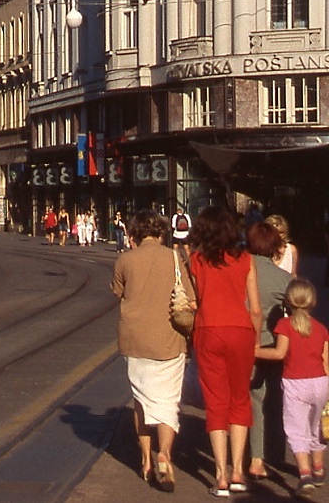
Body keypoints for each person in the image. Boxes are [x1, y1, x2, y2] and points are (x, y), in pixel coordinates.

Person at [111, 210, 196, 492]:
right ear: (161, 232)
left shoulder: (125, 259)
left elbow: (117, 291)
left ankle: (146, 460)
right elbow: (190, 299)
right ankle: (165, 455)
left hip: (135, 340)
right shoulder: (174, 258)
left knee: (142, 401)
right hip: (169, 339)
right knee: (168, 401)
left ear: (134, 234)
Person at [189, 206, 263, 497]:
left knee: (215, 401)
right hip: (241, 332)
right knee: (240, 399)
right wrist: (254, 343)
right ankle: (238, 471)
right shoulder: (245, 259)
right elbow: (255, 309)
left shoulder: (196, 260)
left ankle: (219, 475)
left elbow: (195, 300)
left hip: (208, 331)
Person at [254, 278, 329, 497]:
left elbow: (279, 353)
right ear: (312, 301)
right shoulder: (321, 329)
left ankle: (304, 475)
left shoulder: (285, 326)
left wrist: (253, 351)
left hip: (296, 383)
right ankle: (319, 469)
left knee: (297, 429)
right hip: (320, 382)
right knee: (316, 426)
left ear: (288, 301)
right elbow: (326, 362)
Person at [246, 221, 291, 481]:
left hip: (236, 342)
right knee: (262, 400)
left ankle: (238, 454)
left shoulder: (238, 269)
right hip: (267, 344)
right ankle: (259, 457)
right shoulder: (282, 279)